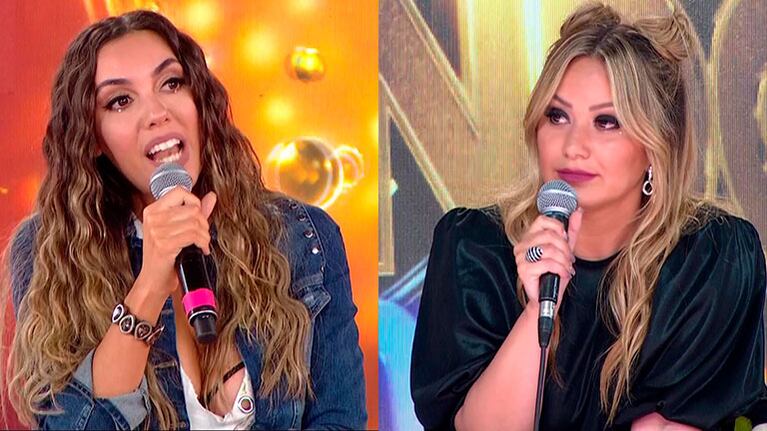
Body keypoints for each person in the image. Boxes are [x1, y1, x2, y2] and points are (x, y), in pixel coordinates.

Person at [2, 10, 366, 430]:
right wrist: (150, 285)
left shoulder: (301, 235)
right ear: (94, 137)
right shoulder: (51, 248)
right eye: (120, 101)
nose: (157, 113)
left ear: (199, 101)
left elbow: (340, 421)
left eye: (171, 83)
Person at [411, 3, 767, 430]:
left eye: (607, 122)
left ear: (657, 144)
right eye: (557, 116)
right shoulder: (473, 247)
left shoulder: (714, 258)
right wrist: (537, 309)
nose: (573, 146)